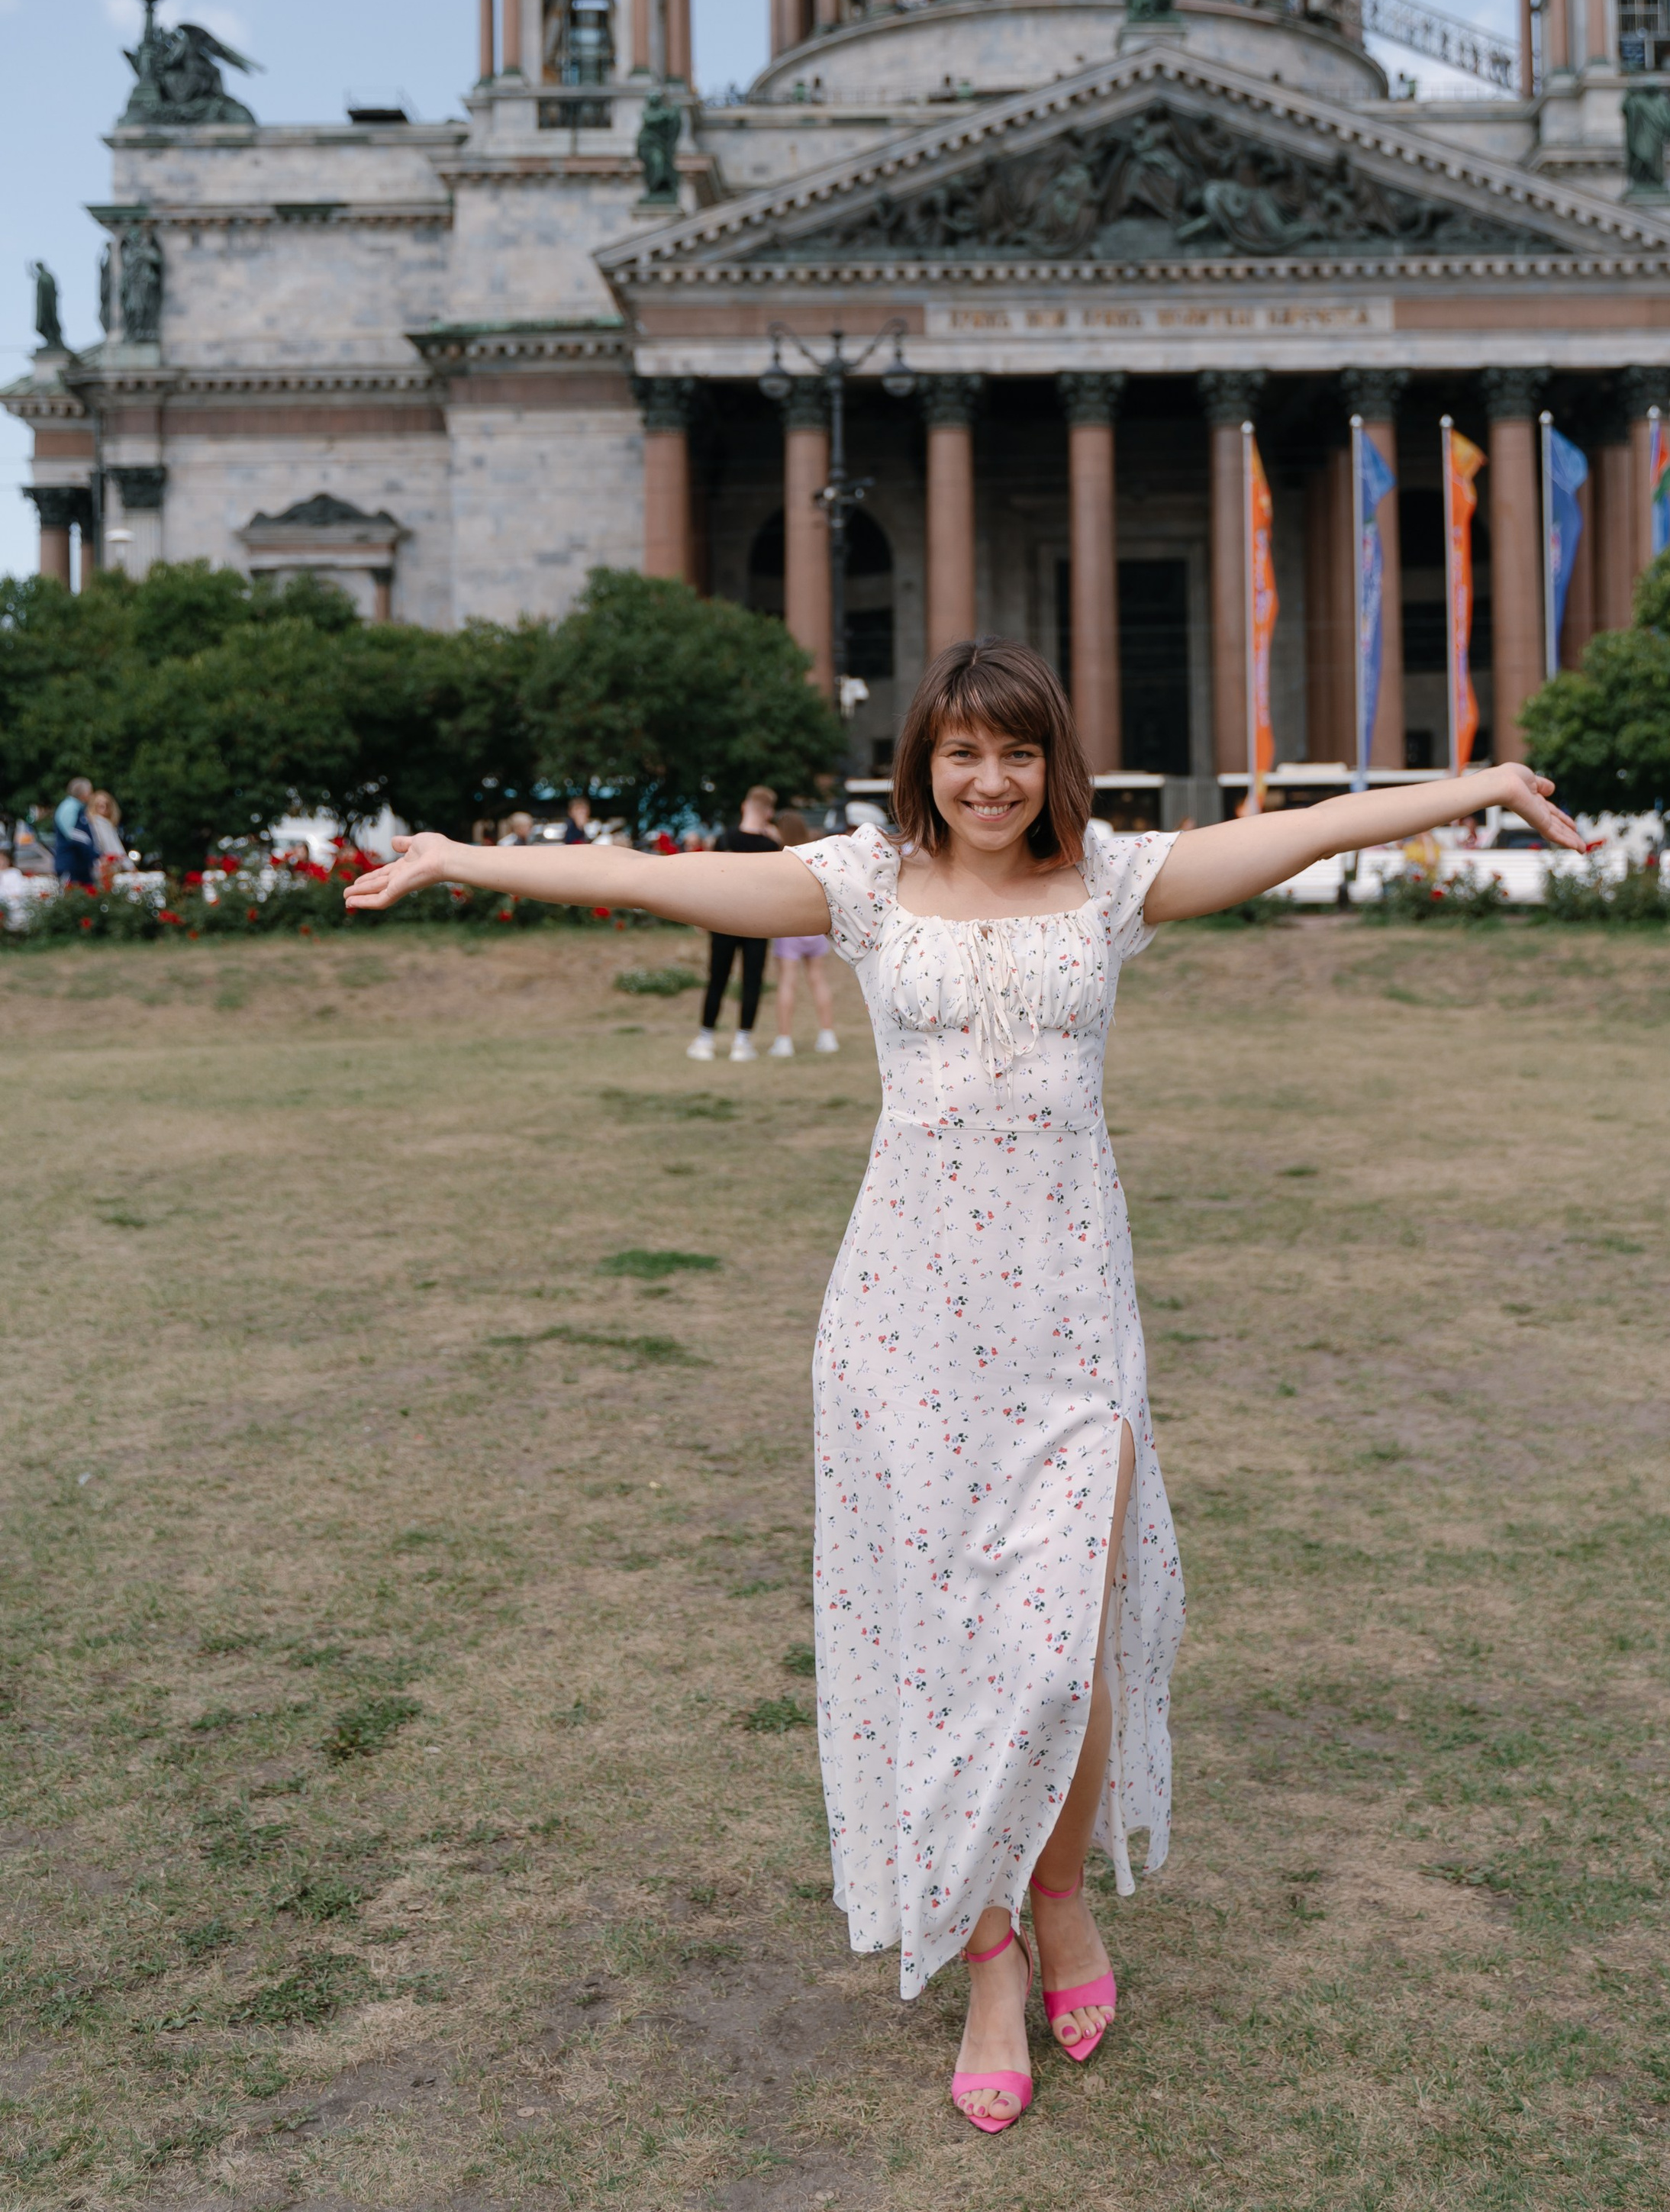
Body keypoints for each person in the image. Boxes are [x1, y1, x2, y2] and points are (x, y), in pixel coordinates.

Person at [344, 639, 1581, 2137]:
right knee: (941, 1656)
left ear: (1052, 765)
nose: (986, 781)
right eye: (957, 754)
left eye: (1013, 753)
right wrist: (460, 855)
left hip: (1068, 1331)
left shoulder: (1110, 885)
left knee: (1062, 1655)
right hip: (898, 1334)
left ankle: (1059, 1896)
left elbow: (1301, 831)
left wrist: (1485, 783)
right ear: (919, 765)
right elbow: (654, 876)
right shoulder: (858, 887)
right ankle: (994, 1953)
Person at [691, 785, 779, 1063]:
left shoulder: (723, 840)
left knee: (716, 979)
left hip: (723, 919)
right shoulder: (770, 846)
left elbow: (710, 881)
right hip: (757, 922)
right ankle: (742, 1041)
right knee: (751, 982)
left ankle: (705, 1039)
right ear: (769, 813)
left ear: (744, 806)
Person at [766, 808, 840, 1057]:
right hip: (814, 928)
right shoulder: (814, 855)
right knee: (818, 981)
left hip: (789, 928)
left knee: (788, 983)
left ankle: (784, 1040)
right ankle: (828, 1035)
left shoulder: (779, 857)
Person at [52, 777, 95, 888]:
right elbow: (73, 834)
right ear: (84, 793)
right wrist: (94, 853)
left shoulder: (77, 807)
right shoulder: (70, 808)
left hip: (78, 865)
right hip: (70, 864)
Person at [87, 790, 129, 886]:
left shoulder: (99, 824)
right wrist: (130, 867)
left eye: (106, 804)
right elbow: (114, 848)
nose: (104, 807)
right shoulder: (100, 824)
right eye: (100, 805)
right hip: (104, 868)